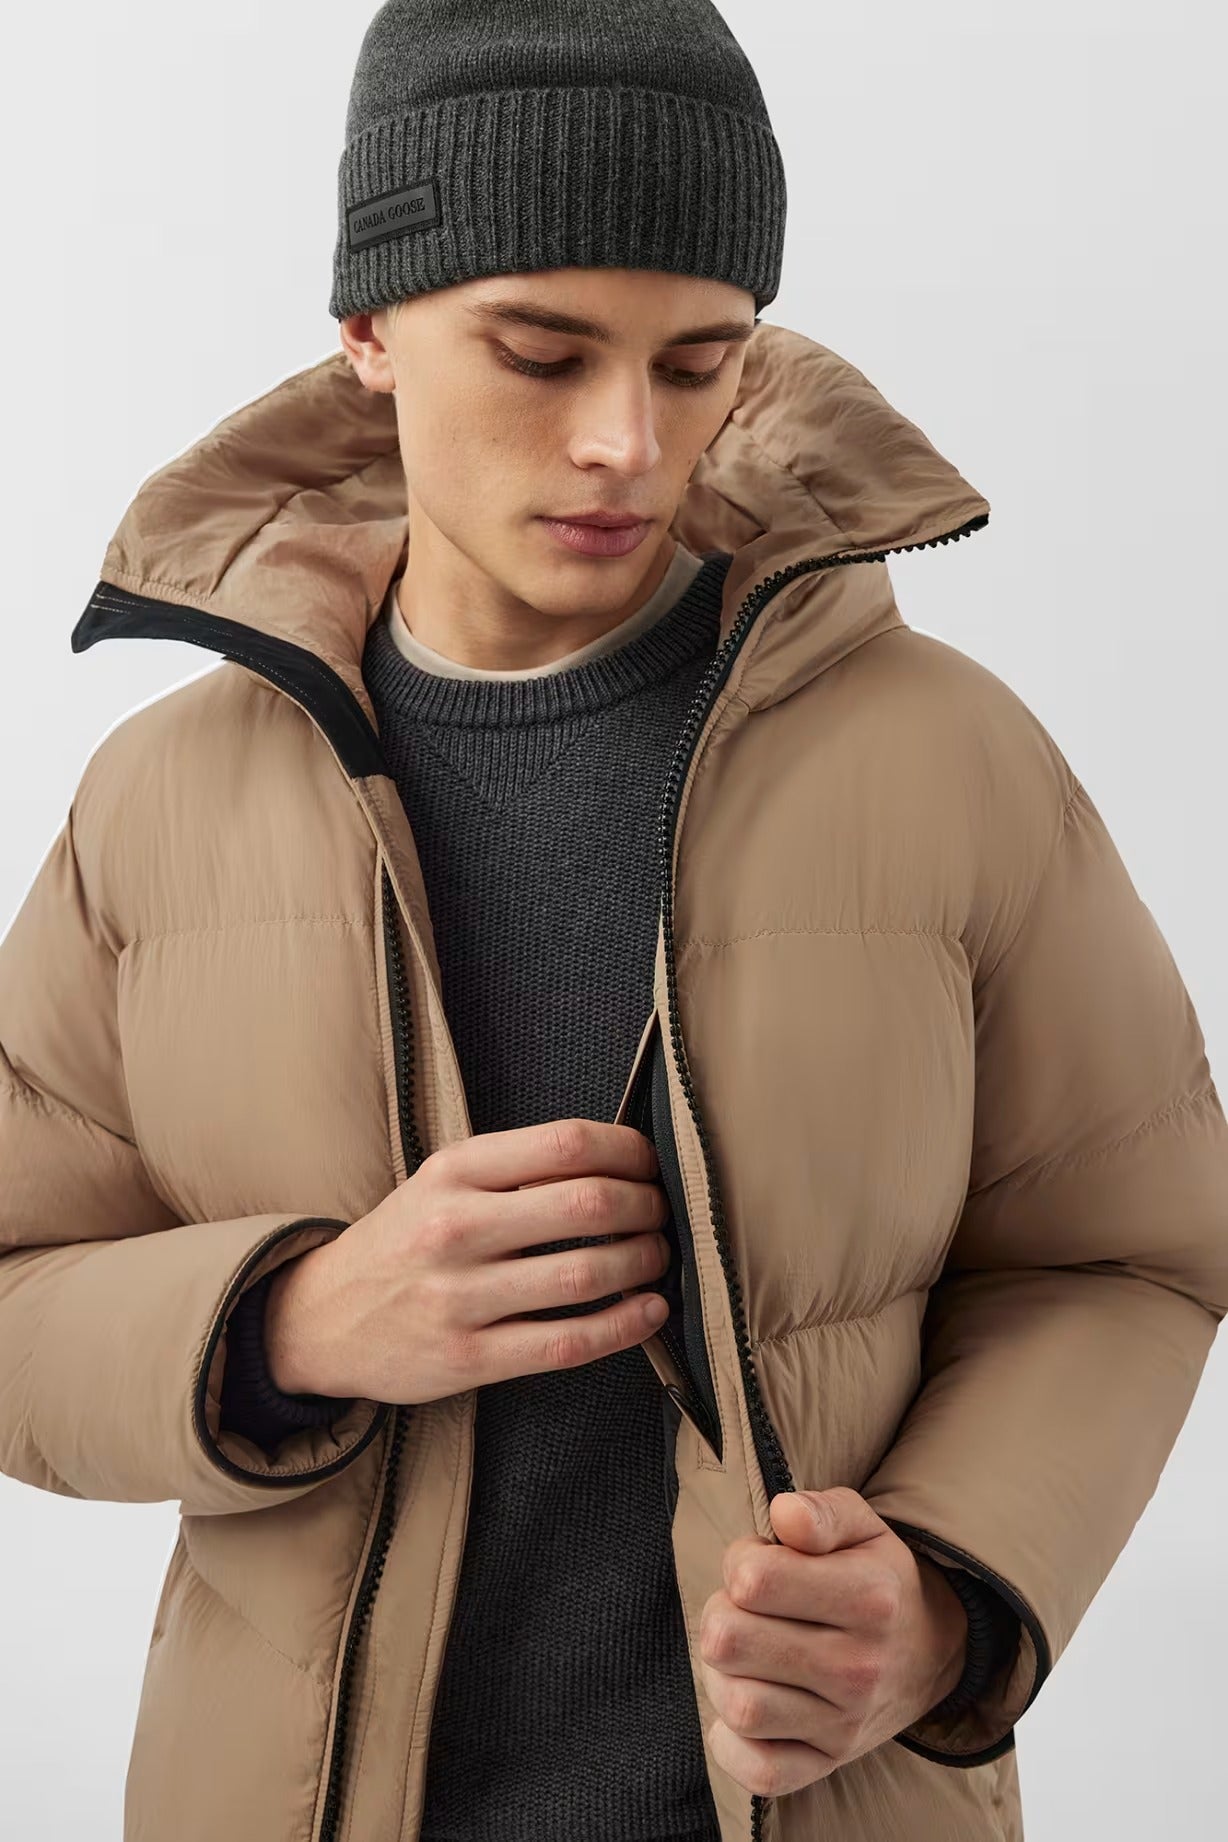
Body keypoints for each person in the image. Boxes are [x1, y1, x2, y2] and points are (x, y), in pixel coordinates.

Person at [2, 2, 1225, 1839]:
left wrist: (947, 1597)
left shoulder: (949, 757)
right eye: (540, 350)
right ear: (369, 333)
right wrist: (290, 1321)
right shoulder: (168, 797)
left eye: (699, 362)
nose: (623, 443)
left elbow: (1127, 1250)